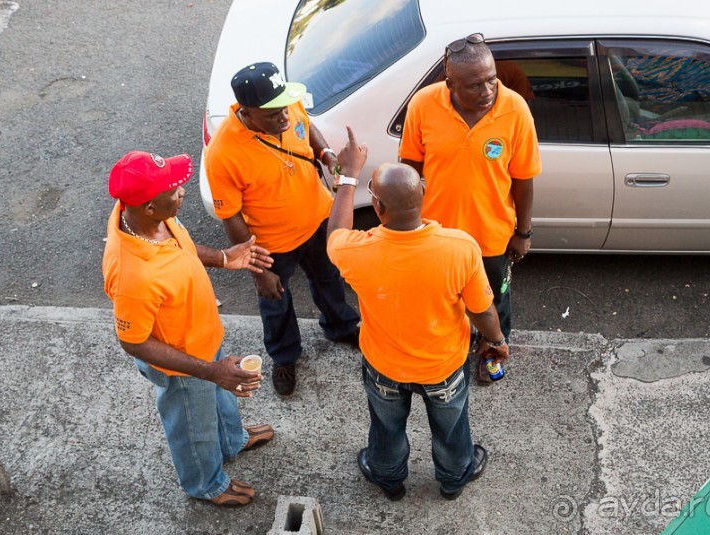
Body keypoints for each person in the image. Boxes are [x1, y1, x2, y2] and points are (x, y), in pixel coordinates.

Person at [326, 126, 510, 501]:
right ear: (423, 193)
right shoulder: (460, 248)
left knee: (386, 428)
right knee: (452, 429)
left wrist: (348, 177)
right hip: (443, 368)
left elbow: (335, 233)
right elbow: (483, 310)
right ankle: (453, 479)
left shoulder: (355, 252)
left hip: (384, 367)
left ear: (377, 207)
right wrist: (496, 341)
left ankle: (388, 478)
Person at [102, 150, 276, 507]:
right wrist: (210, 371)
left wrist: (225, 257)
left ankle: (232, 440)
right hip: (182, 364)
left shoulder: (144, 218)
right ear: (149, 207)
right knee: (192, 426)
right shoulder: (134, 275)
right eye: (174, 190)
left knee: (221, 395)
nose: (182, 191)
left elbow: (180, 246)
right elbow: (134, 342)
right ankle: (205, 482)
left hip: (202, 339)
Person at [204, 62, 360, 397]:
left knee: (330, 279)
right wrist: (257, 269)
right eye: (274, 115)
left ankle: (341, 327)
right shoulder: (223, 153)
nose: (285, 117)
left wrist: (326, 153)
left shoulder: (285, 104)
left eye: (284, 108)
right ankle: (285, 356)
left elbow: (306, 124)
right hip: (272, 244)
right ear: (247, 113)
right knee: (275, 301)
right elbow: (231, 217)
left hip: (318, 220)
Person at [399, 33, 541, 384]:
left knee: (493, 302)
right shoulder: (423, 104)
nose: (488, 90)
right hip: (437, 234)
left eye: (492, 79)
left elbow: (524, 180)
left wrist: (523, 233)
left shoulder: (515, 110)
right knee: (442, 299)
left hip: (492, 238)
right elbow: (410, 168)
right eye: (475, 85)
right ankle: (450, 350)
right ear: (450, 83)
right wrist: (409, 224)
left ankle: (492, 352)